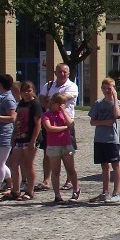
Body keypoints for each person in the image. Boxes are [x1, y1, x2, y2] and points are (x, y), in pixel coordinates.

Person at [37, 63, 78, 193]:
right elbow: (41, 99)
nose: (62, 74)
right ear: (55, 73)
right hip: (49, 120)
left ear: (68, 73)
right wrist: (50, 101)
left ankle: (69, 181)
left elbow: (62, 100)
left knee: (68, 153)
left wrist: (51, 101)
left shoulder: (72, 86)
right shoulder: (49, 85)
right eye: (59, 71)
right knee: (47, 151)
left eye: (64, 72)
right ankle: (46, 180)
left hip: (65, 122)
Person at [88, 78, 120, 204]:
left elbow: (116, 115)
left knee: (115, 165)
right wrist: (104, 122)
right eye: (104, 88)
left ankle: (116, 192)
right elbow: (92, 121)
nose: (107, 90)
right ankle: (105, 191)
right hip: (100, 139)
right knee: (104, 166)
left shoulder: (118, 102)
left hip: (112, 139)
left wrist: (114, 98)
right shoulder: (98, 103)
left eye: (109, 88)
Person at [41, 93, 80, 203]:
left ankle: (76, 189)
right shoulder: (46, 115)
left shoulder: (63, 113)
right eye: (59, 104)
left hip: (66, 144)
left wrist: (63, 111)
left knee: (70, 169)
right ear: (53, 103)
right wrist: (64, 128)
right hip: (53, 145)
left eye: (63, 104)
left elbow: (71, 124)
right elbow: (49, 128)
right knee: (56, 171)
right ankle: (57, 195)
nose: (61, 106)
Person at [8, 81, 42, 201]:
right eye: (24, 91)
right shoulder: (21, 103)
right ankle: (15, 190)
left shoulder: (35, 104)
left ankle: (29, 190)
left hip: (30, 138)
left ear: (33, 91)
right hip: (19, 137)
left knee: (29, 164)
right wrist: (13, 136)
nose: (26, 93)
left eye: (29, 90)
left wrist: (33, 141)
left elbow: (38, 123)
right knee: (14, 164)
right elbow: (17, 121)